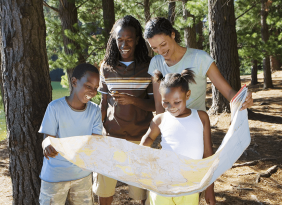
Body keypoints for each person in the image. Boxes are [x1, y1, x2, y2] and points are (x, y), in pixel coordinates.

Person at [93, 15, 155, 205]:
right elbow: (104, 103)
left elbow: (155, 106)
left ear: (137, 40)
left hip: (141, 138)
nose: (124, 44)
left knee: (141, 193)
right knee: (104, 190)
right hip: (110, 137)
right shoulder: (107, 67)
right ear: (114, 40)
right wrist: (96, 131)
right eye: (120, 39)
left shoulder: (150, 66)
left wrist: (133, 101)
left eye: (129, 39)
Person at [144, 17, 253, 114]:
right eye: (154, 48)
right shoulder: (155, 62)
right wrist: (160, 130)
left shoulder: (200, 58)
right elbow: (159, 103)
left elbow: (228, 92)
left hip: (197, 128)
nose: (160, 51)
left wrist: (243, 98)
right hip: (170, 130)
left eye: (163, 44)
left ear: (172, 34)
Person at [140, 69, 216, 205]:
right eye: (165, 102)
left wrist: (210, 188)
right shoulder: (160, 119)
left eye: (177, 102)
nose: (171, 107)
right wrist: (142, 153)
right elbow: (148, 139)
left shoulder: (201, 117)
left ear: (188, 95)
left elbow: (208, 154)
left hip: (190, 186)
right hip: (162, 185)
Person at [38, 63, 102, 205]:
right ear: (74, 82)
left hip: (83, 176)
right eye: (88, 86)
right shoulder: (55, 107)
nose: (93, 92)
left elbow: (96, 141)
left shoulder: (95, 111)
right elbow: (47, 138)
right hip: (54, 176)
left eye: (96, 88)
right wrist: (47, 145)